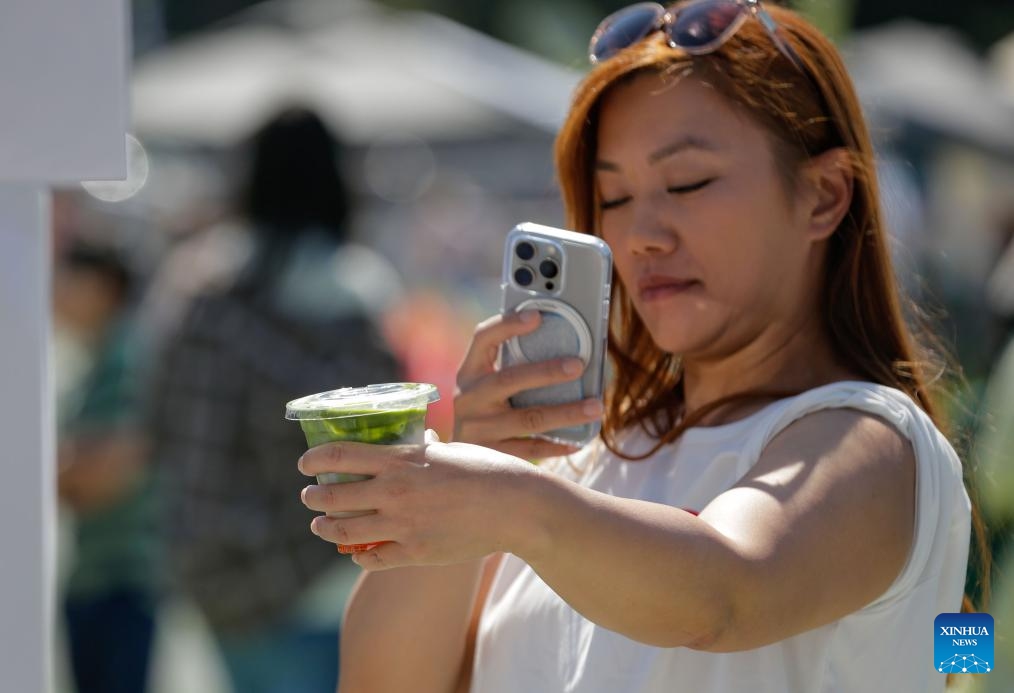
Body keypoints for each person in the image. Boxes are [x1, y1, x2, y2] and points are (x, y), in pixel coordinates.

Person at [298, 2, 987, 692]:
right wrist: (479, 462)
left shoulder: (874, 443)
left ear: (824, 194)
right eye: (613, 197)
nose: (640, 234)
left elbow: (723, 593)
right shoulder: (575, 470)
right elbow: (380, 682)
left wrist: (506, 500)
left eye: (688, 182)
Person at [149, 106, 401, 693]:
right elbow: (388, 453)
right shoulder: (353, 293)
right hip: (318, 585)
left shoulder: (196, 290)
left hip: (211, 577)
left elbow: (157, 422)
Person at [54, 237, 162, 693]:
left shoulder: (128, 359)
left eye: (68, 279)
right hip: (100, 577)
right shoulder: (100, 360)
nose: (56, 291)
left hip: (123, 579)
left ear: (102, 286)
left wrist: (53, 473)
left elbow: (113, 467)